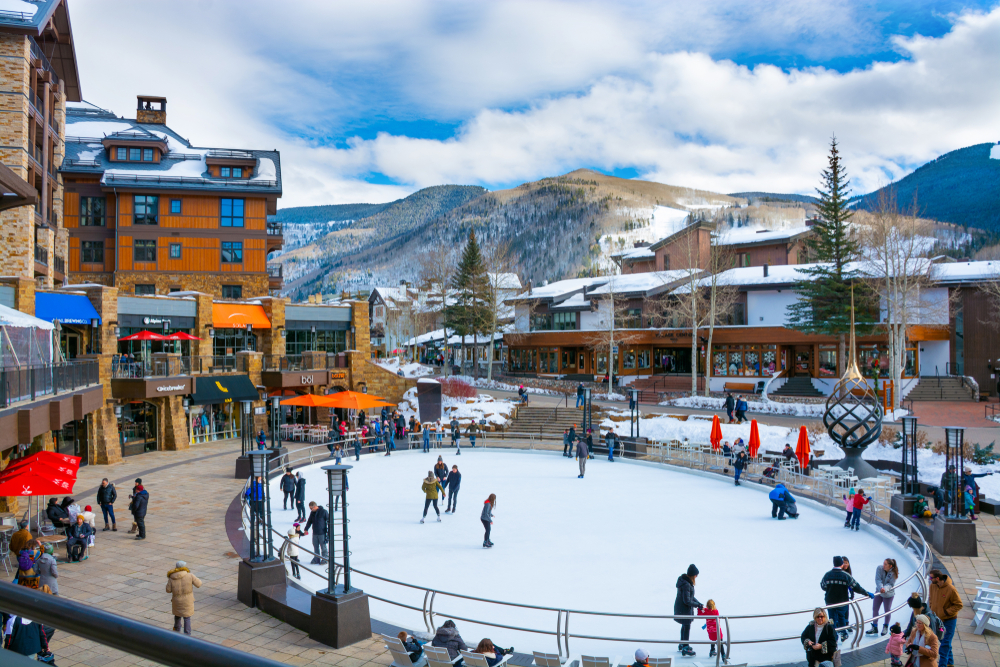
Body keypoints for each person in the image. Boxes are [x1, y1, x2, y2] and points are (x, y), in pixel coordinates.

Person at [821, 556, 874, 641]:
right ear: (842, 564)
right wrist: (867, 593)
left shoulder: (827, 575)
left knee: (831, 618)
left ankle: (833, 634)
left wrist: (831, 587)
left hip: (830, 601)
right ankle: (843, 633)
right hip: (842, 601)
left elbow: (823, 586)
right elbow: (856, 587)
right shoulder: (846, 575)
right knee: (841, 617)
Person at [927, 569, 962, 667]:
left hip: (949, 621)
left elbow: (959, 604)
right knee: (944, 642)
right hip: (937, 620)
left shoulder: (951, 589)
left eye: (931, 577)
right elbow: (931, 598)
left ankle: (942, 665)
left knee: (944, 645)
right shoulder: (932, 586)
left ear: (937, 578)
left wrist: (946, 612)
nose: (929, 579)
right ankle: (950, 663)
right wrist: (931, 607)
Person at [166, 560, 202, 636]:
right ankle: (187, 634)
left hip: (176, 601)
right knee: (187, 618)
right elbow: (198, 584)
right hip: (187, 601)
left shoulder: (171, 578)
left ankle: (176, 632)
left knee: (177, 616)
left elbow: (168, 590)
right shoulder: (190, 575)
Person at [674, 564, 703, 657]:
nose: (697, 577)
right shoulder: (686, 584)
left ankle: (683, 644)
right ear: (692, 575)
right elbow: (687, 601)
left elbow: (690, 597)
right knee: (686, 626)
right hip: (684, 609)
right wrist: (697, 605)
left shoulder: (685, 582)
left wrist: (699, 603)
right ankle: (685, 647)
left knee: (684, 626)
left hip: (682, 608)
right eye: (696, 575)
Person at [867, 558, 899, 636]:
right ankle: (874, 627)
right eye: (883, 563)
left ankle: (885, 626)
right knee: (875, 608)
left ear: (890, 566)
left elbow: (891, 584)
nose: (883, 565)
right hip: (879, 592)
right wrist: (881, 588)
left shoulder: (894, 573)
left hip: (888, 594)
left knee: (887, 610)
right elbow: (878, 579)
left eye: (885, 564)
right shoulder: (879, 568)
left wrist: (885, 589)